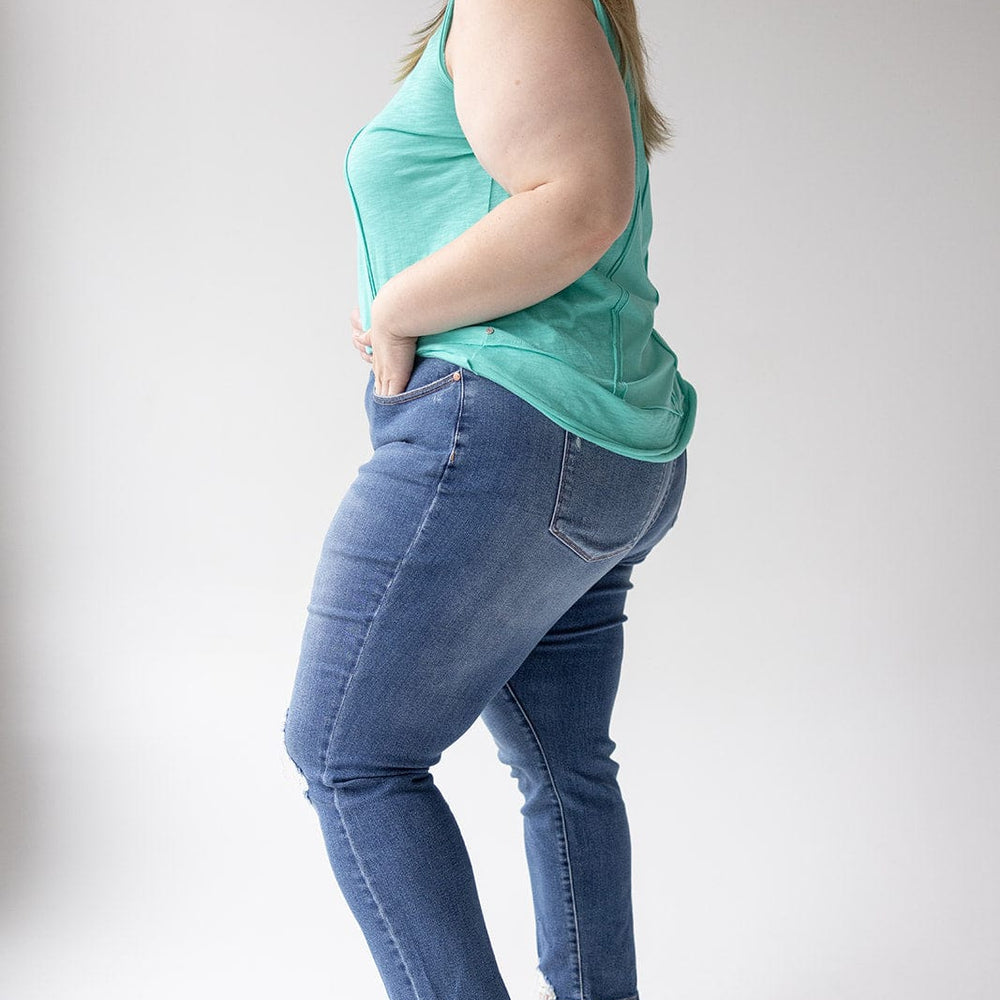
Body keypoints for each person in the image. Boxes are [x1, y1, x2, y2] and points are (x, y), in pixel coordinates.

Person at [282, 2, 697, 998]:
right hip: (597, 445)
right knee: (564, 768)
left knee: (347, 753)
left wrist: (396, 308)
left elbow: (578, 204)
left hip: (505, 436)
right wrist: (415, 294)